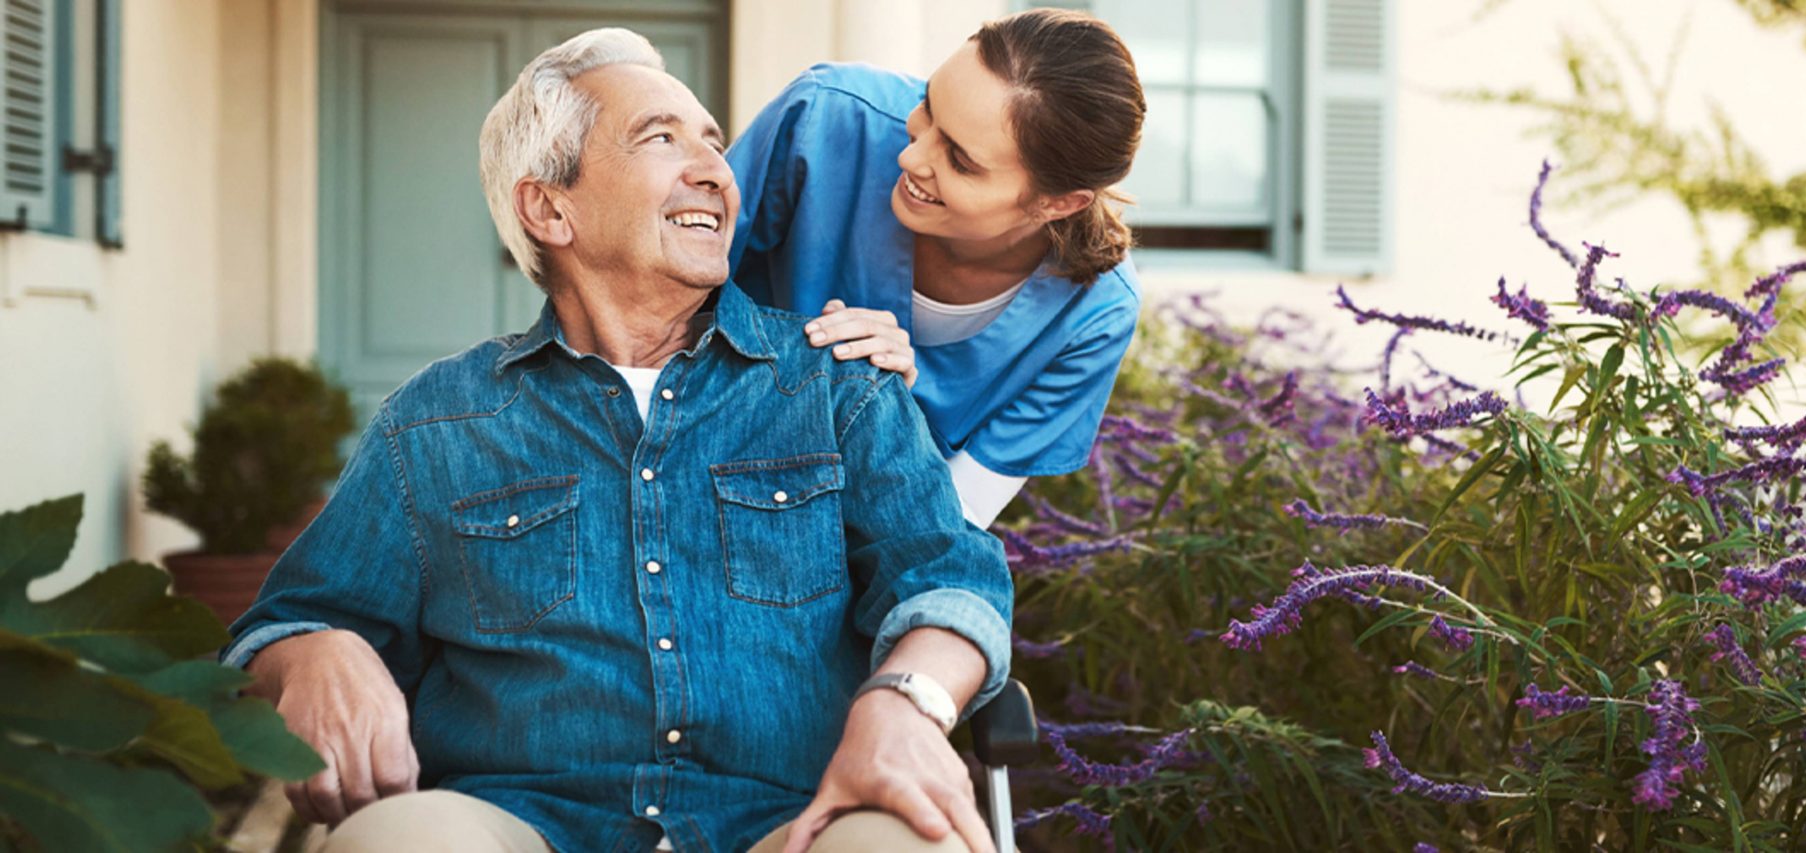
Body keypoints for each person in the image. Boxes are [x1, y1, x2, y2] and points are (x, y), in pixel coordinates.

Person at [222, 28, 1011, 853]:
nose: (714, 166)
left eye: (712, 140)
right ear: (549, 208)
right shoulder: (435, 424)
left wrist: (906, 699)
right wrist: (314, 650)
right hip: (523, 825)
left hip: (791, 824)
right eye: (661, 137)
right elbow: (282, 621)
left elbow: (950, 577)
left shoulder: (835, 380)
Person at [726, 9, 1147, 529]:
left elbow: (948, 521)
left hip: (847, 550)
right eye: (927, 105)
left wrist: (888, 412)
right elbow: (652, 296)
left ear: (1057, 204)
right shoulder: (824, 117)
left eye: (962, 162)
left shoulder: (1093, 318)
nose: (911, 157)